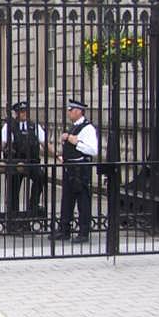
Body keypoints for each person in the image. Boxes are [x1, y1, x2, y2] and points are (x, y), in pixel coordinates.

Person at [0, 101, 54, 220]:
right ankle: (14, 216)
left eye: (25, 111)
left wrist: (57, 155)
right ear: (16, 113)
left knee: (41, 177)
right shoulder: (9, 126)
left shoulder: (34, 126)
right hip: (15, 162)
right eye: (21, 111)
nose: (24, 113)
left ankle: (33, 206)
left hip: (31, 161)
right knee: (14, 188)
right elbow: (2, 142)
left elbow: (45, 143)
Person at [49, 99, 99, 244]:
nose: (69, 113)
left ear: (78, 111)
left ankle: (84, 232)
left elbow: (92, 150)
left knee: (83, 200)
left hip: (80, 169)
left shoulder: (87, 128)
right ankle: (64, 229)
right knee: (67, 199)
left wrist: (74, 140)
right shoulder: (74, 127)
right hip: (69, 168)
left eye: (71, 110)